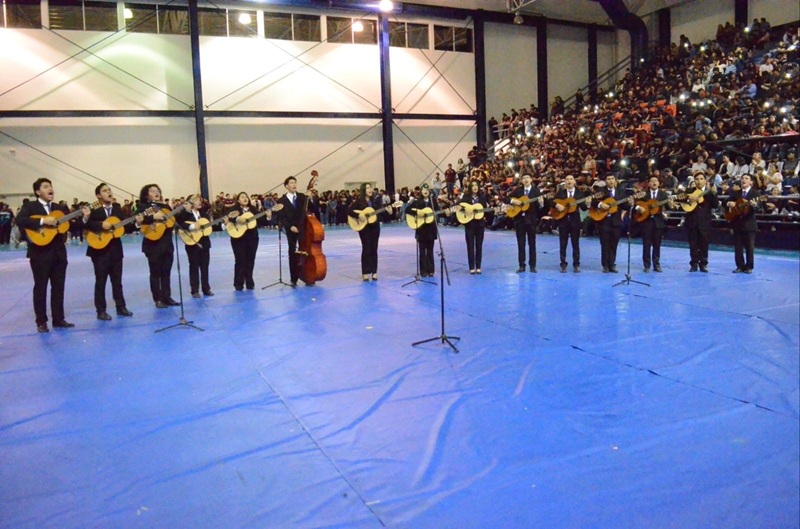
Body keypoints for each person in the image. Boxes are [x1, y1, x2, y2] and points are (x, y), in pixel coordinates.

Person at [15, 178, 74, 332]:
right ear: (37, 192)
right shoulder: (30, 206)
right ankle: (41, 321)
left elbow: (72, 225)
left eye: (51, 186)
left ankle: (58, 319)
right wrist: (43, 221)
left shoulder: (60, 208)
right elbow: (20, 220)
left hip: (59, 254)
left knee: (59, 287)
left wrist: (85, 216)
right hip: (39, 254)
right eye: (46, 186)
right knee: (41, 288)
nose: (50, 189)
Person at [82, 183, 134, 320]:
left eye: (110, 190)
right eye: (105, 191)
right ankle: (101, 311)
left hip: (116, 250)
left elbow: (124, 227)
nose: (109, 192)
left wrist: (137, 223)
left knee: (117, 281)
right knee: (101, 281)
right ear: (98, 195)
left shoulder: (117, 209)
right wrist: (101, 225)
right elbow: (85, 224)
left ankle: (121, 307)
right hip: (99, 250)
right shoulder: (93, 209)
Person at [136, 183, 179, 308]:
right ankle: (158, 299)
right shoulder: (143, 207)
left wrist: (183, 210)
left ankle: (167, 296)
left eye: (157, 190)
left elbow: (173, 220)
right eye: (152, 191)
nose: (156, 192)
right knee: (155, 273)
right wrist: (153, 217)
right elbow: (138, 220)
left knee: (166, 272)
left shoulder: (165, 206)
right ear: (146, 195)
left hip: (167, 244)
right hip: (153, 245)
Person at [348, 183, 392, 281]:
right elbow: (349, 211)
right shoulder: (359, 201)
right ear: (363, 190)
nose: (370, 189)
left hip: (375, 227)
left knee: (374, 249)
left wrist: (388, 211)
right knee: (366, 249)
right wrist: (359, 215)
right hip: (364, 228)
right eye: (367, 188)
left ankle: (374, 271)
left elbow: (380, 214)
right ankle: (365, 272)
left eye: (370, 187)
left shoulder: (375, 201)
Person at [177, 194, 214, 297]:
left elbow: (208, 226)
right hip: (192, 242)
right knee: (194, 266)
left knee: (205, 267)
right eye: (197, 200)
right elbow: (180, 224)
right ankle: (195, 290)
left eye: (200, 200)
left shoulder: (204, 214)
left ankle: (206, 289)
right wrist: (192, 226)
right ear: (191, 202)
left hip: (205, 242)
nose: (199, 202)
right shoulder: (185, 214)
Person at [592, 174, 629, 273]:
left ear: (615, 180)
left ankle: (612, 264)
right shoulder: (601, 190)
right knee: (605, 244)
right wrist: (600, 204)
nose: (611, 181)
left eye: (612, 179)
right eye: (608, 179)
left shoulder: (620, 192)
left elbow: (625, 206)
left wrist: (630, 203)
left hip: (616, 222)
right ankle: (605, 265)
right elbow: (592, 201)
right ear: (605, 181)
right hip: (604, 221)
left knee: (614, 244)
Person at [509, 174, 544, 273]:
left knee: (532, 244)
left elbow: (539, 209)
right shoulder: (518, 190)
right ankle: (521, 265)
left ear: (531, 179)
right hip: (519, 220)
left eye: (528, 178)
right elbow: (506, 199)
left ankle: (532, 266)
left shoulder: (536, 191)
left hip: (531, 220)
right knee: (521, 244)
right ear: (521, 180)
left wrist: (541, 204)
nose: (526, 179)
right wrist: (514, 201)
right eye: (524, 178)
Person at [633, 176, 670, 273]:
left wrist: (671, 204)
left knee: (657, 245)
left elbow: (668, 207)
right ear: (648, 183)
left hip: (658, 222)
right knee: (646, 244)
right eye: (652, 181)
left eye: (656, 181)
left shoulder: (663, 194)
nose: (654, 182)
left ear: (659, 183)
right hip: (646, 222)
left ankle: (656, 264)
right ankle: (646, 265)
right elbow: (635, 203)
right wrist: (638, 208)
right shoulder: (644, 194)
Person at [551, 175, 586, 273]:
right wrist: (557, 205)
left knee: (575, 243)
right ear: (565, 182)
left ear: (574, 181)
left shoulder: (579, 194)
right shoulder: (560, 193)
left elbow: (583, 208)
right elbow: (551, 202)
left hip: (575, 221)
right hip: (563, 220)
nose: (569, 181)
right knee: (563, 243)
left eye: (571, 179)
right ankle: (563, 264)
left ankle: (576, 264)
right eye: (567, 179)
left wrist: (587, 204)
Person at [684, 173, 719, 272]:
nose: (699, 181)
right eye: (697, 179)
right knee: (693, 244)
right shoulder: (689, 191)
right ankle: (694, 264)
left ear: (705, 180)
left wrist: (714, 194)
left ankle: (703, 264)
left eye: (701, 179)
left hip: (705, 223)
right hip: (692, 222)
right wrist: (688, 199)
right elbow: (680, 200)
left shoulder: (709, 192)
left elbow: (715, 205)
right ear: (694, 181)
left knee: (704, 244)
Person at [726, 174, 760, 273]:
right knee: (738, 247)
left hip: (749, 224)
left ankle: (749, 266)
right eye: (742, 178)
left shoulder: (755, 193)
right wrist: (729, 203)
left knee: (750, 247)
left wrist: (754, 205)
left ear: (751, 182)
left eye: (746, 178)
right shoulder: (736, 193)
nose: (743, 180)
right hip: (737, 223)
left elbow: (759, 208)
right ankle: (740, 266)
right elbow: (725, 202)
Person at [277, 176, 308, 287]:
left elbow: (310, 209)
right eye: (291, 183)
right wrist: (290, 227)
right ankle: (293, 278)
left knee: (306, 251)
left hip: (303, 228)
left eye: (295, 182)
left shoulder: (302, 197)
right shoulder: (281, 201)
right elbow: (281, 217)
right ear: (286, 186)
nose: (294, 184)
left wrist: (310, 197)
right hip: (291, 230)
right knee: (292, 252)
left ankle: (307, 275)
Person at [228, 191, 260, 290]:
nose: (245, 198)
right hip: (238, 238)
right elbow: (228, 217)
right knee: (240, 260)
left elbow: (260, 221)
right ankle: (239, 283)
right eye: (242, 197)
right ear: (238, 200)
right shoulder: (234, 209)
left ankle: (249, 281)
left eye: (246, 197)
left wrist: (268, 216)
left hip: (252, 238)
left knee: (251, 260)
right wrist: (238, 219)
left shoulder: (253, 209)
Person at [407, 184, 437, 277]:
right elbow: (407, 210)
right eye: (423, 189)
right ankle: (423, 270)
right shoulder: (417, 202)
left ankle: (431, 270)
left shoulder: (433, 202)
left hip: (431, 229)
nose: (425, 191)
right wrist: (417, 212)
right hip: (421, 229)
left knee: (430, 251)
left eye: (427, 189)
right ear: (421, 191)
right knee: (422, 251)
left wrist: (447, 213)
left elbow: (438, 211)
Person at [460, 180, 488, 274]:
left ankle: (478, 266)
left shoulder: (482, 198)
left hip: (480, 225)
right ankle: (471, 267)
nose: (475, 187)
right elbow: (458, 206)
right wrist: (466, 210)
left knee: (479, 246)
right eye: (473, 185)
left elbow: (485, 210)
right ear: (470, 187)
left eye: (476, 185)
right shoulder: (466, 197)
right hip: (469, 225)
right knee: (470, 246)